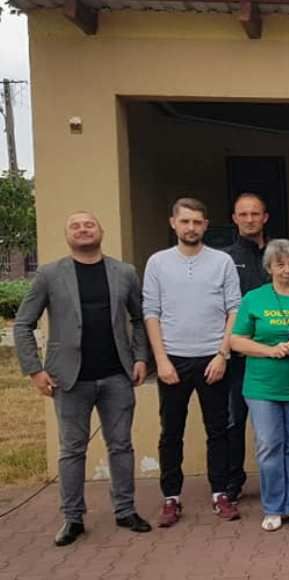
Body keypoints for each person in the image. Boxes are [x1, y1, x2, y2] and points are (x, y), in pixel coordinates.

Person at [14, 211, 151, 546]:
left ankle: (125, 510)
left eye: (89, 224)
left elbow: (139, 318)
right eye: (75, 226)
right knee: (72, 450)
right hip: (68, 379)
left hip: (117, 375)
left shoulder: (124, 272)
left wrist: (140, 357)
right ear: (67, 235)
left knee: (121, 446)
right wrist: (35, 370)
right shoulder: (49, 275)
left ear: (100, 231)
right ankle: (72, 518)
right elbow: (23, 324)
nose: (83, 229)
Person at [143, 197, 241, 527]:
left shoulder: (222, 262)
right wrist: (161, 360)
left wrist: (222, 354)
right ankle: (171, 497)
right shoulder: (157, 263)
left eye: (197, 222)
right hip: (173, 360)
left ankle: (221, 493)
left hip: (213, 359)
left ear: (206, 225)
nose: (191, 227)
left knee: (219, 430)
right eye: (185, 221)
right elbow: (151, 312)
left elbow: (234, 309)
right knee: (171, 432)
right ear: (173, 223)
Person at [229, 239, 289, 532]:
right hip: (262, 386)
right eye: (280, 265)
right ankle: (273, 506)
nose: (287, 270)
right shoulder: (254, 299)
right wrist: (269, 350)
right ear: (269, 268)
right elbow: (236, 340)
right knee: (268, 445)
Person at [222, 192, 271, 503]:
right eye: (244, 214)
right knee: (234, 420)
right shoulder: (225, 259)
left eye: (255, 214)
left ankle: (288, 481)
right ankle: (232, 481)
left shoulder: (281, 253)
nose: (250, 219)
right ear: (235, 219)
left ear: (265, 217)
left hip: (279, 354)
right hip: (239, 355)